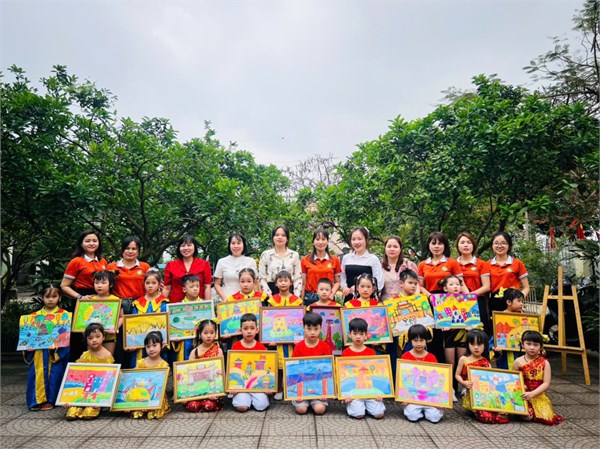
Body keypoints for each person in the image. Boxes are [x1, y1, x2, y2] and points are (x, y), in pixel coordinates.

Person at [418, 231, 467, 363]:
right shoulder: (423, 264)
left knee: (450, 337)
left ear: (445, 245)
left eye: (440, 243)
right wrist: (429, 296)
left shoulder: (452, 263)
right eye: (433, 243)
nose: (436, 246)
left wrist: (470, 301)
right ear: (428, 245)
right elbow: (420, 286)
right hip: (430, 302)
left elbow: (461, 284)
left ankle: (453, 373)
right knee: (434, 337)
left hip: (449, 303)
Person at [24, 285, 70, 411]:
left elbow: (65, 336)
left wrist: (57, 346)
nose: (50, 299)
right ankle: (35, 401)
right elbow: (28, 335)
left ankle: (51, 400)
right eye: (47, 297)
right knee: (36, 374)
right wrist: (28, 346)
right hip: (38, 352)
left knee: (55, 375)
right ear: (42, 297)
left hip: (55, 352)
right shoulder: (34, 316)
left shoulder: (64, 315)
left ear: (59, 297)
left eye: (54, 296)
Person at [455, 329, 509, 424]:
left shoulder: (486, 361)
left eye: (479, 345)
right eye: (472, 344)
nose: (476, 347)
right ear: (468, 345)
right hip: (473, 395)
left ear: (485, 345)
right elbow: (457, 375)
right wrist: (463, 382)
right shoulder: (464, 359)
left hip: (487, 394)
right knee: (486, 417)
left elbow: (491, 379)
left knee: (502, 411)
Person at [265, 270, 303, 400]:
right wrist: (269, 338)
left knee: (293, 363)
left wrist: (299, 337)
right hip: (276, 339)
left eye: (286, 280)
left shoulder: (297, 301)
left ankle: (291, 388)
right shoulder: (272, 300)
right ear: (275, 283)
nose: (283, 283)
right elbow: (268, 320)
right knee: (278, 364)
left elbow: (300, 320)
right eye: (280, 280)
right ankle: (279, 389)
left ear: (291, 283)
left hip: (292, 340)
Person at [513, 331, 564, 425]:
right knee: (527, 416)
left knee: (546, 416)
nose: (532, 347)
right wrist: (521, 387)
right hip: (523, 394)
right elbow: (514, 379)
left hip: (538, 394)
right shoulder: (518, 362)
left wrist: (532, 394)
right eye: (528, 344)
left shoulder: (545, 363)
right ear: (522, 345)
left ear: (541, 347)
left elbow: (546, 383)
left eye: (535, 345)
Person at [65, 323, 114, 420]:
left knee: (90, 411)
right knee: (72, 409)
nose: (94, 340)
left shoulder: (107, 355)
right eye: (90, 338)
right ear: (86, 340)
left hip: (98, 387)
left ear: (103, 337)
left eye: (97, 337)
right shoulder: (84, 355)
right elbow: (77, 375)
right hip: (85, 385)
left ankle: (95, 406)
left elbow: (109, 377)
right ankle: (76, 406)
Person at [341, 318, 385, 419]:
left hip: (369, 391)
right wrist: (344, 394)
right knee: (358, 414)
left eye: (361, 334)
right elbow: (342, 374)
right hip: (353, 392)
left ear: (366, 335)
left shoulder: (371, 352)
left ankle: (368, 406)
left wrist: (379, 393)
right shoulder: (346, 353)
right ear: (350, 334)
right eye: (355, 333)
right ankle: (356, 405)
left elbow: (374, 373)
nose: (358, 337)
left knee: (379, 414)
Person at [400, 324, 444, 423]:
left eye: (421, 340)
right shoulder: (406, 356)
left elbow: (437, 379)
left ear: (426, 340)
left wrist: (439, 400)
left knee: (434, 417)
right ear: (410, 340)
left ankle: (427, 411)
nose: (419, 344)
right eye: (415, 340)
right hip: (413, 396)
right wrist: (404, 397)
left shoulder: (431, 357)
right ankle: (418, 411)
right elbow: (402, 379)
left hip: (429, 396)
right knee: (412, 416)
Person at [291, 312, 331, 415]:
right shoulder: (299, 347)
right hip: (302, 384)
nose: (312, 332)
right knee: (301, 410)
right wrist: (297, 393)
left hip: (318, 386)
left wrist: (325, 392)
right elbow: (293, 368)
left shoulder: (325, 346)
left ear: (320, 328)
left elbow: (328, 369)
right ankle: (303, 400)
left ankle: (315, 401)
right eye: (309, 329)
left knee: (319, 409)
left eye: (316, 329)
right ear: (303, 328)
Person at [230, 313, 270, 412]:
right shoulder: (235, 347)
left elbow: (266, 367)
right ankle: (245, 399)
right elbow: (231, 368)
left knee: (261, 406)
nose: (249, 331)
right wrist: (231, 388)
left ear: (257, 330)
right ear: (240, 330)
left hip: (257, 386)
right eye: (245, 328)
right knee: (242, 407)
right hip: (241, 387)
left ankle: (252, 399)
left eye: (252, 328)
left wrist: (268, 388)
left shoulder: (261, 347)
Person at [129, 270, 170, 367]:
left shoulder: (164, 303)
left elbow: (167, 324)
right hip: (140, 344)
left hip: (158, 344)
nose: (150, 286)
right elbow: (133, 325)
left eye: (154, 283)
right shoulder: (137, 303)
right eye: (147, 283)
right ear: (144, 284)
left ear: (159, 284)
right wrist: (131, 342)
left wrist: (165, 340)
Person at [438, 275, 468, 400]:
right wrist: (442, 324)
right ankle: (450, 388)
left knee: (463, 360)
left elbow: (471, 316)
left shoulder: (466, 300)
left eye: (457, 284)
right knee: (450, 362)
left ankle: (465, 386)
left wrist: (470, 324)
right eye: (451, 284)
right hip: (449, 334)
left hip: (462, 333)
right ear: (445, 288)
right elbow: (440, 317)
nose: (455, 286)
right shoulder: (441, 301)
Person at [185, 319, 224, 413]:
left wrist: (217, 391)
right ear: (200, 333)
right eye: (205, 333)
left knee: (208, 405)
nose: (209, 336)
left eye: (212, 332)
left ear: (215, 333)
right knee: (193, 406)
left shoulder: (218, 351)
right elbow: (188, 373)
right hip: (197, 389)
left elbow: (221, 373)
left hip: (213, 388)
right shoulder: (194, 352)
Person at [488, 231, 530, 316]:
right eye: (496, 243)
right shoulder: (486, 265)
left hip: (512, 305)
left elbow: (526, 287)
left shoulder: (518, 264)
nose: (499, 246)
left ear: (509, 245)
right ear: (492, 246)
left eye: (503, 243)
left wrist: (518, 300)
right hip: (494, 303)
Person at [131, 331, 171, 419]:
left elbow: (161, 386)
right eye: (148, 346)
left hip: (156, 395)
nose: (151, 349)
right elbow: (133, 378)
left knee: (154, 409)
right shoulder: (140, 362)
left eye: (154, 345)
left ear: (162, 345)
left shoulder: (164, 365)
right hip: (142, 392)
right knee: (136, 407)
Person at [61, 230, 108, 303]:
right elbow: (64, 286)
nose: (91, 243)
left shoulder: (103, 261)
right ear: (81, 244)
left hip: (101, 299)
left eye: (95, 241)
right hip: (83, 299)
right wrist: (80, 297)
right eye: (87, 241)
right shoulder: (76, 261)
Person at [107, 235, 150, 314]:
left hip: (140, 304)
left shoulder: (145, 267)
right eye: (127, 248)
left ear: (138, 251)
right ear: (122, 250)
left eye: (134, 249)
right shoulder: (111, 267)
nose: (130, 251)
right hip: (118, 305)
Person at [163, 235, 212, 303]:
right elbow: (166, 288)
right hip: (176, 305)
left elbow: (207, 287)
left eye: (189, 245)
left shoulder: (204, 264)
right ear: (179, 248)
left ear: (194, 247)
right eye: (183, 246)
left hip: (198, 305)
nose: (186, 248)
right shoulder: (170, 265)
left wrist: (208, 305)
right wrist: (162, 305)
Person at [340, 227, 384, 301]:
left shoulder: (373, 259)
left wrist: (359, 288)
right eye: (353, 239)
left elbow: (379, 282)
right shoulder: (346, 258)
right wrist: (344, 287)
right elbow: (342, 276)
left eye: (359, 239)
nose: (356, 242)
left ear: (366, 240)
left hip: (367, 300)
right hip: (349, 299)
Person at [300, 228, 341, 306]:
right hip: (310, 298)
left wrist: (332, 293)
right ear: (313, 242)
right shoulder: (305, 260)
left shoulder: (335, 260)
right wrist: (301, 302)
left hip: (328, 297)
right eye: (317, 239)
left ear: (327, 241)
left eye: (323, 239)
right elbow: (303, 283)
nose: (320, 242)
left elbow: (337, 281)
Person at [259, 225, 302, 296]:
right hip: (270, 293)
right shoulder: (265, 255)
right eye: (277, 235)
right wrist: (269, 295)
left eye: (283, 235)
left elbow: (298, 277)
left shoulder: (294, 255)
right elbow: (261, 278)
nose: (280, 237)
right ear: (273, 238)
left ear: (287, 238)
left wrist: (296, 295)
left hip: (290, 293)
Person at [214, 233, 258, 302]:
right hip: (228, 300)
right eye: (233, 243)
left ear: (243, 245)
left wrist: (257, 300)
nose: (236, 246)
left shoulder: (251, 261)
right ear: (229, 245)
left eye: (239, 243)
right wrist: (224, 298)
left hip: (247, 301)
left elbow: (255, 283)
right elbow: (217, 284)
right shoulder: (221, 262)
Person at [89, 270, 123, 356]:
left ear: (111, 285)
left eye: (103, 283)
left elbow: (122, 317)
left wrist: (115, 328)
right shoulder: (89, 300)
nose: (99, 285)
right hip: (92, 336)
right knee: (91, 359)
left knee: (108, 358)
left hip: (110, 336)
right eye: (96, 283)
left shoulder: (116, 300)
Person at [490, 288, 525, 369]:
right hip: (504, 353)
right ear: (509, 302)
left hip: (520, 352)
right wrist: (495, 350)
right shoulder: (500, 317)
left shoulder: (524, 317)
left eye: (522, 301)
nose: (521, 304)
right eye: (519, 301)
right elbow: (495, 337)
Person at [381, 236, 419, 300]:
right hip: (386, 303)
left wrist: (415, 300)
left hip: (406, 302)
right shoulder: (379, 266)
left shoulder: (409, 265)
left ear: (400, 249)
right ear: (385, 248)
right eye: (389, 246)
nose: (392, 249)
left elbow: (417, 285)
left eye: (395, 247)